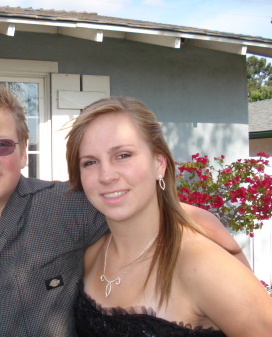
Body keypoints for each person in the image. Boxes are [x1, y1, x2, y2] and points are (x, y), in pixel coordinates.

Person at [0, 79, 248, 336]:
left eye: (2, 145)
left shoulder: (67, 207)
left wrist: (239, 274)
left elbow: (162, 210)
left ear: (24, 151)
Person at [65, 97, 272, 336]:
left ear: (159, 163)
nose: (106, 175)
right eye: (90, 162)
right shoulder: (91, 256)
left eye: (123, 155)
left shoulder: (203, 265)